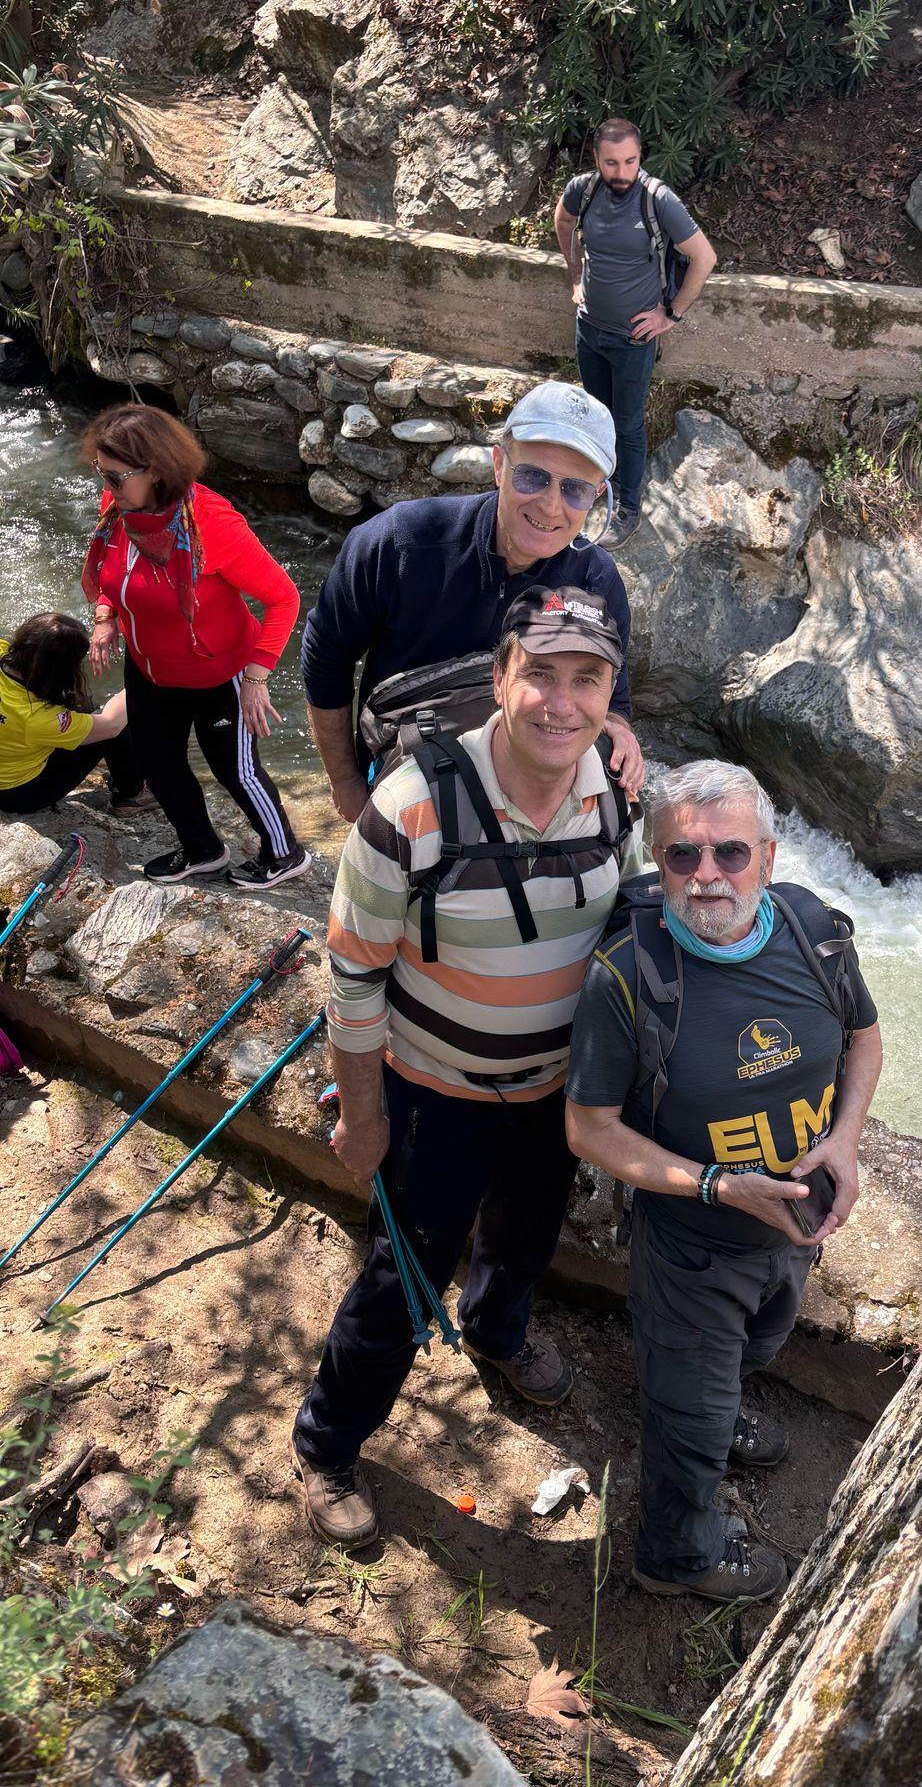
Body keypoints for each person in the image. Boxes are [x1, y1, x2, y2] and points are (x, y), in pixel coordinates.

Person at [291, 585, 647, 1547]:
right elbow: (353, 980)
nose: (562, 703)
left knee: (525, 1237)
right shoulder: (409, 810)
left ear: (612, 694)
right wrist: (363, 1120)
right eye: (541, 675)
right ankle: (326, 1444)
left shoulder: (614, 792)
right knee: (401, 1282)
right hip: (431, 1100)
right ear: (501, 678)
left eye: (589, 680)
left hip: (553, 1099)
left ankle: (496, 1333)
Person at [566, 759, 883, 1605]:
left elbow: (864, 1040)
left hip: (794, 1232)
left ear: (769, 857)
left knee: (761, 1348)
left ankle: (718, 1402)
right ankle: (675, 1555)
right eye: (680, 858)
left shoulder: (814, 933)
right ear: (657, 862)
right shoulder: (627, 980)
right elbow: (589, 1129)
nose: (706, 877)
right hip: (694, 1251)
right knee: (689, 1426)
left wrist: (845, 1142)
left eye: (730, 853)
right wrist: (714, 1187)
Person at [301, 379, 644, 825]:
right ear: (500, 465)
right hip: (410, 778)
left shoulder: (597, 579)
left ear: (598, 496)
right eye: (533, 476)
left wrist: (619, 729)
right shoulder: (398, 542)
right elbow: (325, 656)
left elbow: (612, 692)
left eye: (575, 489)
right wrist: (346, 783)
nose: (550, 506)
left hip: (532, 793)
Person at [81, 402, 309, 890]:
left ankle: (286, 853)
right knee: (158, 762)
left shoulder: (212, 524)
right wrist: (106, 616)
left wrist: (255, 677)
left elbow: (284, 598)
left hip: (218, 673)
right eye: (101, 473)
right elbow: (113, 575)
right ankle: (203, 848)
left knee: (236, 772)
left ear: (157, 471)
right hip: (150, 669)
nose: (107, 486)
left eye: (116, 476)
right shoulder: (120, 508)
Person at [554, 118, 718, 550]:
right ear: (596, 159)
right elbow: (563, 222)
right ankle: (597, 486)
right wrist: (575, 278)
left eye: (630, 161)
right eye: (612, 163)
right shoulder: (583, 190)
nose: (621, 172)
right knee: (595, 414)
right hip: (589, 328)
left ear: (640, 157)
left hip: (634, 339)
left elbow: (704, 257)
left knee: (626, 422)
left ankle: (627, 508)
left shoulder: (657, 199)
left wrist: (671, 316)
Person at [0, 612, 148, 816]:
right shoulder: (36, 717)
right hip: (18, 792)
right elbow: (111, 724)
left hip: (9, 753)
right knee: (115, 720)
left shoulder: (3, 652)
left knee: (83, 709)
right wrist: (142, 677)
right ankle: (130, 795)